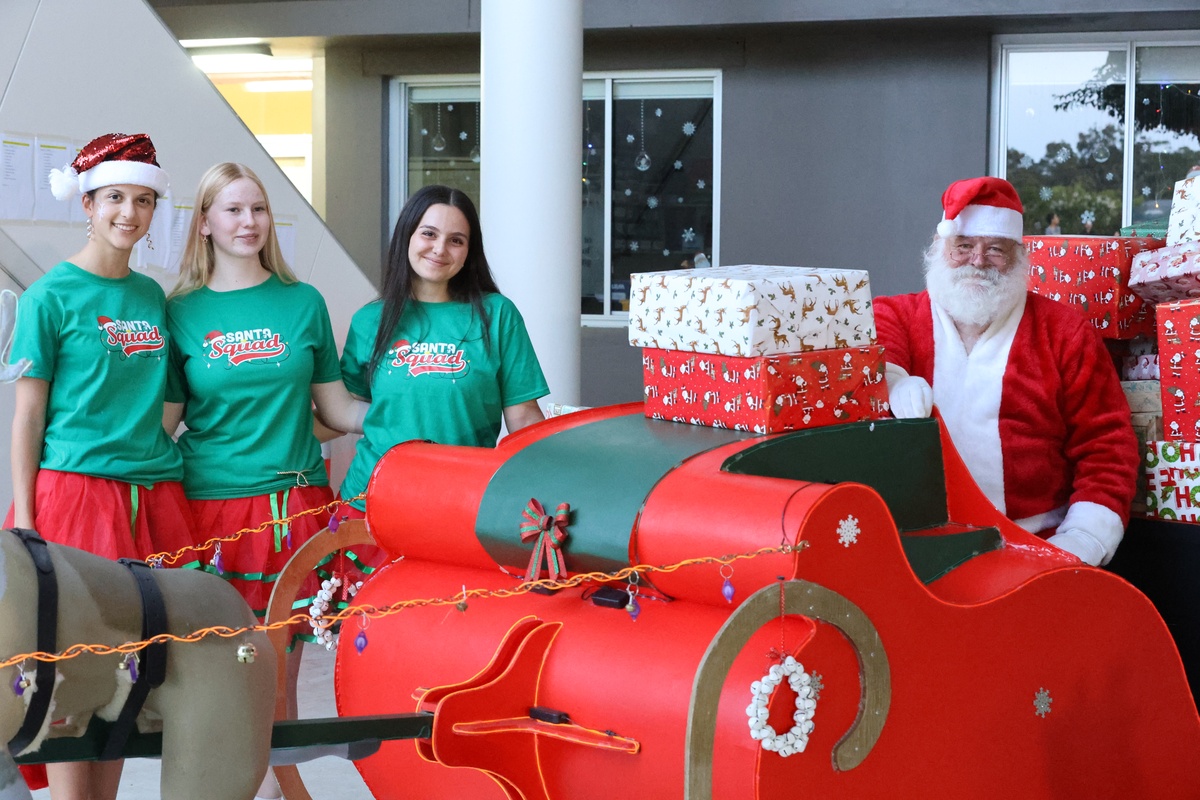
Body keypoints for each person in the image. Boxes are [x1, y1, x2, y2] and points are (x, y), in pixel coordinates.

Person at [163, 162, 367, 800]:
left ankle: (280, 790)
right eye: (232, 210)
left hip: (294, 508)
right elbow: (163, 425)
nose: (248, 222)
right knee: (215, 670)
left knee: (281, 674)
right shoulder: (180, 312)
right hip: (210, 513)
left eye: (257, 208)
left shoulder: (303, 302)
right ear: (204, 223)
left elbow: (337, 410)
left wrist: (413, 409)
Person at [6, 132, 196, 800]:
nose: (129, 213)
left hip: (150, 498)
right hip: (73, 498)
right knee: (69, 666)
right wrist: (27, 520)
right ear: (87, 203)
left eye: (143, 200)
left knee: (128, 670)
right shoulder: (49, 297)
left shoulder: (152, 297)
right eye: (115, 197)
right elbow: (28, 415)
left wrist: (145, 444)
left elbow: (168, 395)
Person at [874, 176, 1139, 567]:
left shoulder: (1065, 332)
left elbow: (1106, 445)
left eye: (995, 249)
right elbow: (877, 362)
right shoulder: (895, 315)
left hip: (1033, 546)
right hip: (914, 549)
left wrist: (1085, 536)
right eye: (964, 246)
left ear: (1019, 256)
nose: (978, 261)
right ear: (940, 248)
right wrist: (893, 382)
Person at [338, 184, 549, 520]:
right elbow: (343, 409)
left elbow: (523, 417)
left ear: (469, 252)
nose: (439, 249)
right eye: (429, 233)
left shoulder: (497, 315)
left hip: (463, 506)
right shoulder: (369, 320)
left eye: (456, 240)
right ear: (407, 236)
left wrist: (551, 482)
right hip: (370, 503)